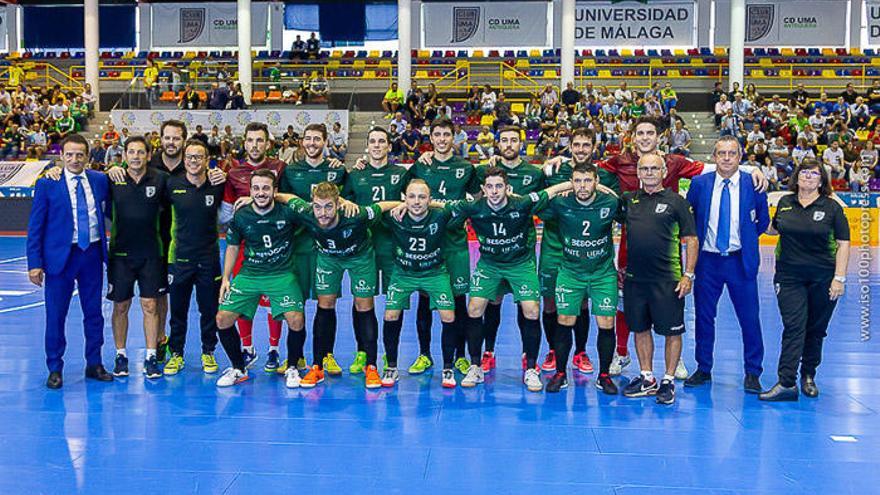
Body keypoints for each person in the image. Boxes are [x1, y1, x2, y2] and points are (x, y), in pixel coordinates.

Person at [443, 167, 572, 391]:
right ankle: (475, 366)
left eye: (499, 186)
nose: (494, 191)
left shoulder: (521, 203)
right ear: (483, 189)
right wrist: (406, 205)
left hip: (520, 264)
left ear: (508, 188)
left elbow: (551, 191)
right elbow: (441, 205)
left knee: (531, 309)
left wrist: (578, 184)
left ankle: (531, 368)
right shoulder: (474, 207)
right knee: (474, 308)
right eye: (490, 187)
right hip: (490, 265)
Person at [274, 183, 400, 389]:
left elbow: (382, 205)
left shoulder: (356, 215)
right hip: (328, 258)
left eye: (328, 207)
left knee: (364, 305)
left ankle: (371, 367)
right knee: (325, 305)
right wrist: (255, 198)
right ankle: (317, 367)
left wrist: (406, 204)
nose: (322, 213)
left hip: (360, 257)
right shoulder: (307, 212)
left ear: (338, 204)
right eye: (318, 207)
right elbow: (287, 198)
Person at [684, 136, 770, 393]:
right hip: (707, 261)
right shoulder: (699, 184)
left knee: (750, 319)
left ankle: (753, 371)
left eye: (732, 153)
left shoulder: (753, 183)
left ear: (740, 157)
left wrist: (741, 240)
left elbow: (762, 222)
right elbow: (690, 219)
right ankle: (703, 367)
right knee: (704, 317)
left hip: (739, 260)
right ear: (714, 156)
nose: (727, 158)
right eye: (721, 153)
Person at [760, 158, 850, 401]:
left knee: (816, 329)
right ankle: (786, 382)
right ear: (796, 176)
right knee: (794, 326)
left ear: (822, 180)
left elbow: (843, 244)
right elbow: (772, 229)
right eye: (804, 172)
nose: (808, 177)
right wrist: (754, 207)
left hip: (823, 276)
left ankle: (808, 374)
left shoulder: (832, 207)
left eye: (814, 173)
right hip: (789, 276)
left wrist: (839, 278)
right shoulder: (786, 202)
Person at [27, 134, 112, 389]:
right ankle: (54, 367)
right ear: (61, 156)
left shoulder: (99, 180)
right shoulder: (47, 184)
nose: (75, 159)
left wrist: (117, 168)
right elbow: (35, 227)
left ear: (87, 156)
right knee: (55, 315)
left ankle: (94, 363)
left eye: (80, 155)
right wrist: (34, 262)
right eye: (69, 154)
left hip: (91, 255)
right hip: (59, 258)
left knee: (94, 314)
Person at [216, 169, 306, 388]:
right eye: (256, 188)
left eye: (266, 188)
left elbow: (305, 207)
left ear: (275, 190)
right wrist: (226, 278)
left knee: (296, 319)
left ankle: (292, 367)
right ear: (250, 190)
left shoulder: (287, 213)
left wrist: (283, 197)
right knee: (222, 319)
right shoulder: (242, 215)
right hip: (250, 274)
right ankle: (238, 368)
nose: (260, 193)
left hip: (281, 274)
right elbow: (233, 246)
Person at [620, 153, 698, 405]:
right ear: (638, 173)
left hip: (668, 280)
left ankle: (668, 379)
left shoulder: (677, 202)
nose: (650, 172)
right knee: (640, 329)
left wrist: (688, 275)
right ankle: (647, 376)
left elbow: (691, 240)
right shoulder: (629, 201)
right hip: (635, 280)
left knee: (671, 332)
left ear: (664, 171)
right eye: (645, 168)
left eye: (655, 168)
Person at [539, 162, 621, 393]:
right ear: (571, 182)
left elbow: (629, 216)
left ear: (596, 181)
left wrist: (610, 191)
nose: (582, 186)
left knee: (606, 323)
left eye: (587, 180)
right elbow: (533, 204)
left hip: (602, 274)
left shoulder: (610, 202)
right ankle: (561, 374)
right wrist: (560, 187)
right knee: (565, 320)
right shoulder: (562, 202)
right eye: (577, 181)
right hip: (570, 273)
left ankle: (604, 375)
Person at [216, 122, 288, 372]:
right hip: (243, 246)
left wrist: (260, 199)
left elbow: (290, 202)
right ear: (244, 143)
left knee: (272, 301)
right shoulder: (234, 173)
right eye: (250, 140)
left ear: (268, 143)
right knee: (243, 300)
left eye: (260, 140)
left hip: (274, 246)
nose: (255, 145)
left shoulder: (280, 168)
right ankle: (247, 348)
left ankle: (274, 350)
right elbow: (225, 218)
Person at [278, 124, 346, 373]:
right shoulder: (291, 171)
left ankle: (325, 355)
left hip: (327, 249)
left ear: (326, 141)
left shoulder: (337, 171)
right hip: (297, 247)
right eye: (308, 139)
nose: (312, 143)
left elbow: (347, 204)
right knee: (294, 304)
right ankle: (295, 357)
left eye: (317, 139)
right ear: (302, 142)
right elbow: (281, 203)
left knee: (326, 303)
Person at [345, 128, 411, 373]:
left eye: (381, 141)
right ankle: (363, 352)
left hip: (393, 245)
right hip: (363, 246)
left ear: (389, 146)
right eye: (372, 141)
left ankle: (390, 355)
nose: (376, 145)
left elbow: (418, 194)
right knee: (362, 299)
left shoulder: (400, 174)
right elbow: (343, 203)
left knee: (395, 301)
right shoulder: (356, 174)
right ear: (367, 146)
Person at [381, 180, 458, 387]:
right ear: (404, 198)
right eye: (412, 197)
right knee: (390, 314)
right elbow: (373, 207)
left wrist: (435, 205)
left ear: (430, 200)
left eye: (422, 197)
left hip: (434, 272)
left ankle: (448, 368)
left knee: (448, 315)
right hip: (403, 273)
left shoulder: (440, 215)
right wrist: (398, 204)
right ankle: (391, 367)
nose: (417, 202)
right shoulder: (395, 216)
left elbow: (458, 206)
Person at [107, 136, 168, 379]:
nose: (135, 156)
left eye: (140, 152)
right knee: (120, 306)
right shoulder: (112, 179)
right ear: (124, 155)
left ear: (148, 155)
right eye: (131, 152)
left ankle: (151, 356)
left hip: (151, 253)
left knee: (150, 305)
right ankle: (121, 355)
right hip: (120, 255)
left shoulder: (160, 180)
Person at [162, 140, 226, 376]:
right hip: (179, 259)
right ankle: (176, 354)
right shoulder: (172, 184)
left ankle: (208, 352)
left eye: (198, 157)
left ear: (207, 159)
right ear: (184, 158)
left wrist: (223, 174)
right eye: (189, 156)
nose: (193, 161)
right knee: (178, 311)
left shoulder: (217, 184)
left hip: (208, 259)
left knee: (209, 310)